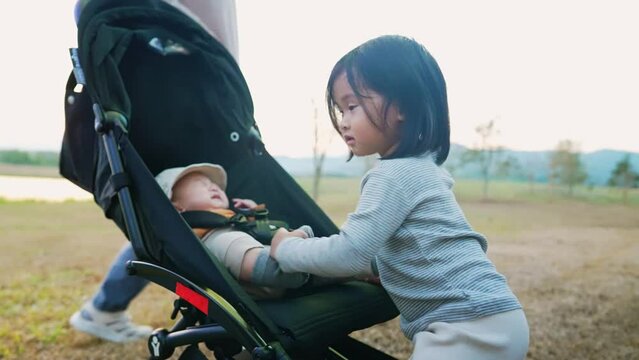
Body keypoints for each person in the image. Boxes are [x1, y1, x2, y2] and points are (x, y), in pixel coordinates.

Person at [269, 35, 529, 360]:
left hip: (466, 324)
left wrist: (286, 249)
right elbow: (414, 244)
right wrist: (374, 267)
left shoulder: (392, 175)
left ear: (402, 107)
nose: (343, 120)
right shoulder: (421, 167)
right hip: (488, 317)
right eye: (340, 109)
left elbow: (348, 253)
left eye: (352, 106)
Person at [69, 0, 242, 343]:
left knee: (167, 225)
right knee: (169, 224)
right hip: (180, 100)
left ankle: (103, 308)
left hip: (194, 94)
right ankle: (103, 308)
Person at [154, 163, 313, 298]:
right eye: (201, 183)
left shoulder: (227, 225)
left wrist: (255, 217)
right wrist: (294, 241)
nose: (212, 186)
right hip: (286, 277)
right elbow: (274, 272)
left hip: (298, 278)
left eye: (213, 184)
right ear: (177, 208)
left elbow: (260, 235)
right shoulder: (219, 241)